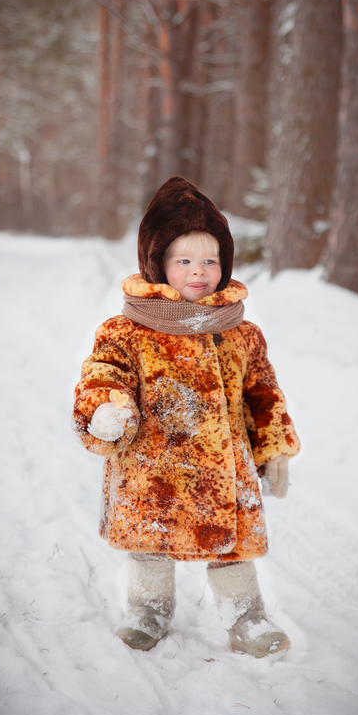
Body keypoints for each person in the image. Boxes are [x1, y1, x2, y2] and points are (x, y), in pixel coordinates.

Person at [73, 177, 300, 658]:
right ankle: (148, 610)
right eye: (184, 261)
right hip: (151, 468)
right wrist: (106, 409)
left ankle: (246, 615)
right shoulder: (127, 330)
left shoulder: (241, 333)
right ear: (158, 264)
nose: (199, 272)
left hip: (224, 468)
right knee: (151, 540)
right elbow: (102, 375)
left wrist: (274, 445)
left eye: (210, 260)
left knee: (232, 544)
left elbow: (263, 392)